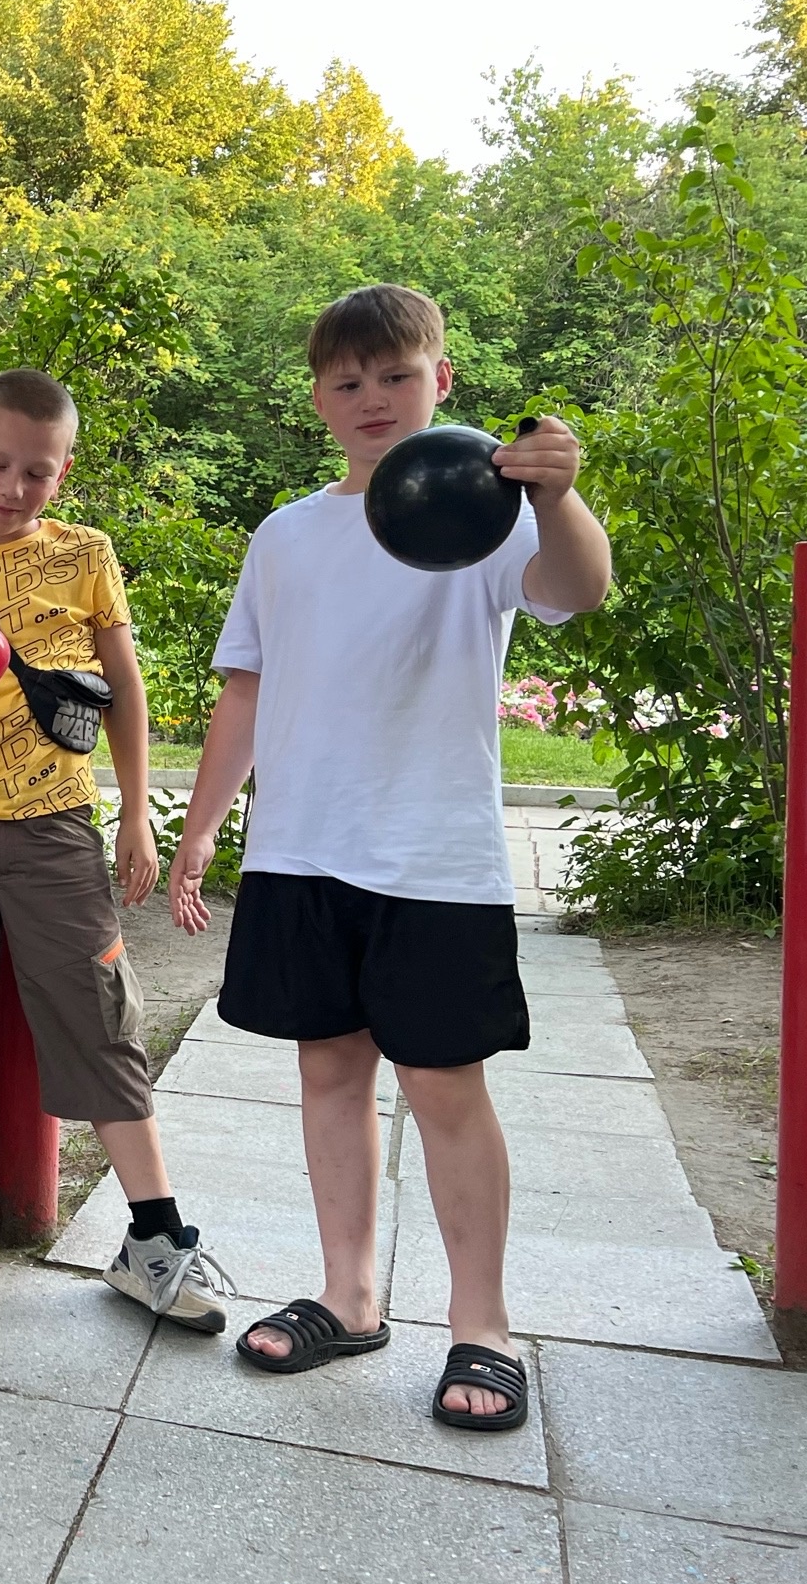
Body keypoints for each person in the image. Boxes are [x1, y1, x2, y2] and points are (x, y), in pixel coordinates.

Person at [169, 284, 612, 1431]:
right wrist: (204, 827)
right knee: (327, 1072)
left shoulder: (482, 510)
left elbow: (576, 590)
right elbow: (245, 687)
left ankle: (482, 1327)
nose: (371, 397)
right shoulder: (285, 533)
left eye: (396, 375)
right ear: (319, 399)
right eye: (347, 381)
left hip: (432, 856)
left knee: (443, 1087)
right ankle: (349, 1295)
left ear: (441, 381)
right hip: (301, 849)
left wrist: (558, 495)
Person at [0, 370, 232, 1330]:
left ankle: (154, 1237)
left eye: (36, 471)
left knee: (100, 1013)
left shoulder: (86, 555)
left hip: (57, 825)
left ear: (61, 472)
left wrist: (136, 814)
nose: (13, 486)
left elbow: (124, 685)